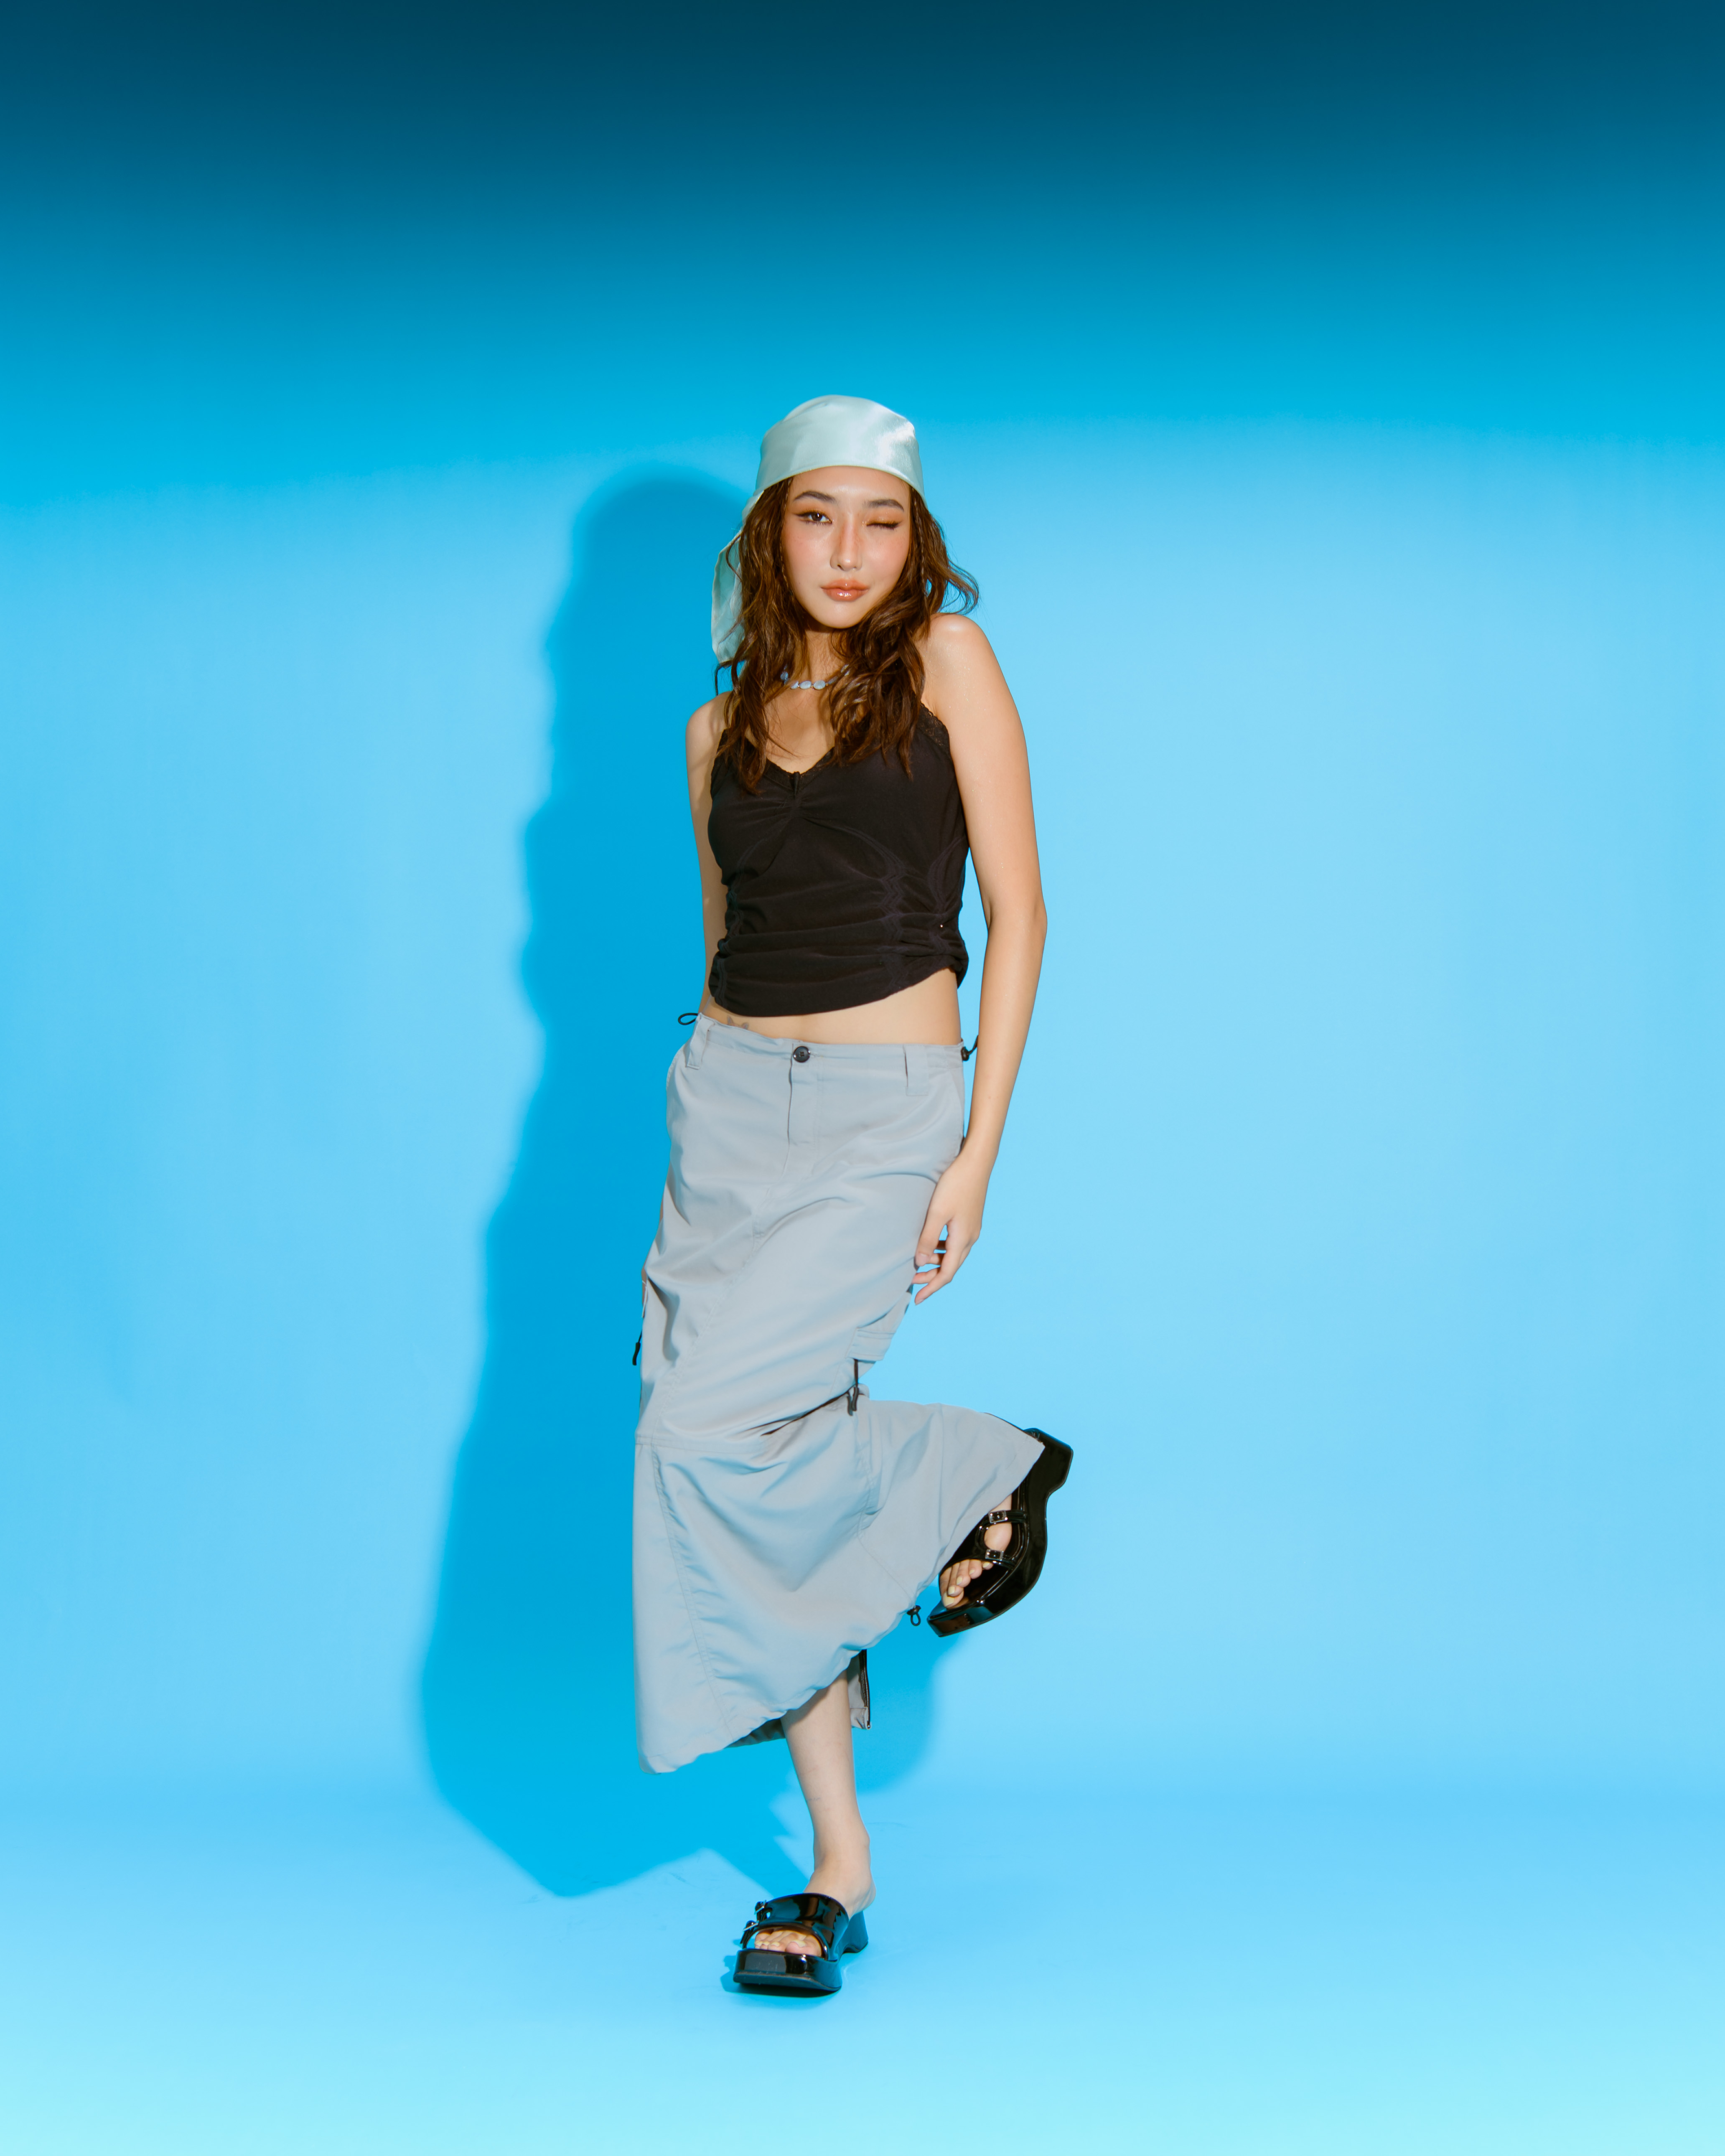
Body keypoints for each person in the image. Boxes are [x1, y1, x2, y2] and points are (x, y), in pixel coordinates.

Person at [633, 394, 1071, 1997]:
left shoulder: (950, 662)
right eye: (818, 518)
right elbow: (723, 943)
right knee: (736, 1470)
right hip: (727, 1108)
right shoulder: (713, 731)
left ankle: (992, 1464)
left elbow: (1021, 916)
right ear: (771, 534)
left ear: (914, 539)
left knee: (706, 1438)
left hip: (887, 1109)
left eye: (880, 522)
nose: (850, 551)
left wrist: (976, 1153)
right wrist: (702, 1113)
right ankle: (837, 1868)